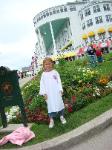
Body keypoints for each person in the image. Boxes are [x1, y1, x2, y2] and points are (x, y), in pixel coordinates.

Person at [39, 57, 66, 128]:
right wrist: (44, 93)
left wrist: (60, 90)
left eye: (49, 64)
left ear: (52, 64)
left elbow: (59, 81)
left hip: (56, 92)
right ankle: (51, 120)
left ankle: (61, 116)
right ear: (44, 66)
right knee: (50, 106)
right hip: (48, 94)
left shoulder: (55, 72)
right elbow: (42, 84)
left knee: (59, 103)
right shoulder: (43, 74)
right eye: (46, 64)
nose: (48, 65)